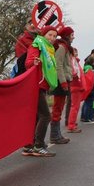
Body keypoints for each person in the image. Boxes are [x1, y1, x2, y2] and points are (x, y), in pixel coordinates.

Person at [21, 26, 58, 157]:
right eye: (50, 35)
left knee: (37, 116)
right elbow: (28, 62)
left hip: (42, 85)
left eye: (54, 36)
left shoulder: (49, 48)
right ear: (44, 34)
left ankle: (28, 145)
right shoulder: (37, 44)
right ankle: (38, 145)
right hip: (36, 84)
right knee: (46, 115)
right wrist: (34, 62)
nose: (52, 38)